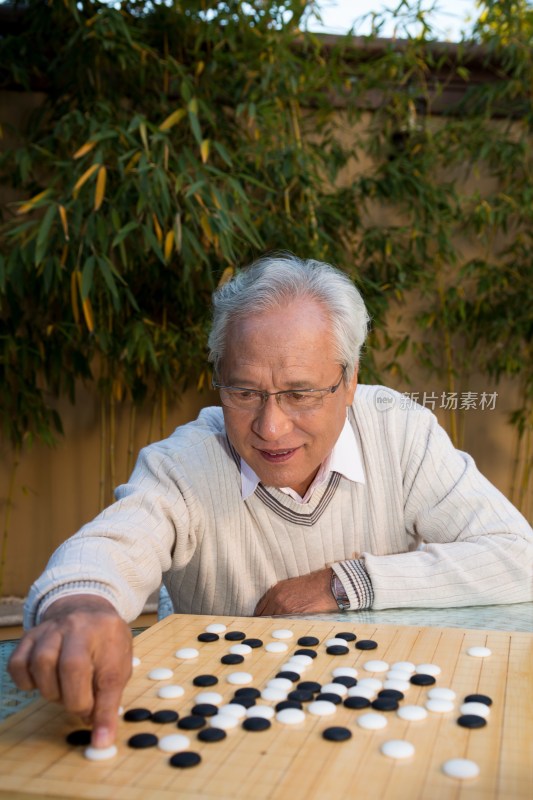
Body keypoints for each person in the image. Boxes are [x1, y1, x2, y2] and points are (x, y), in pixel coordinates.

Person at [9, 253, 533, 749]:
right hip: (226, 725)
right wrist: (79, 605)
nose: (270, 426)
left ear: (349, 381)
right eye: (244, 392)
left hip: (379, 716)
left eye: (300, 394)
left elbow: (517, 554)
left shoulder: (400, 432)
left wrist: (346, 582)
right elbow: (114, 543)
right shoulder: (186, 462)